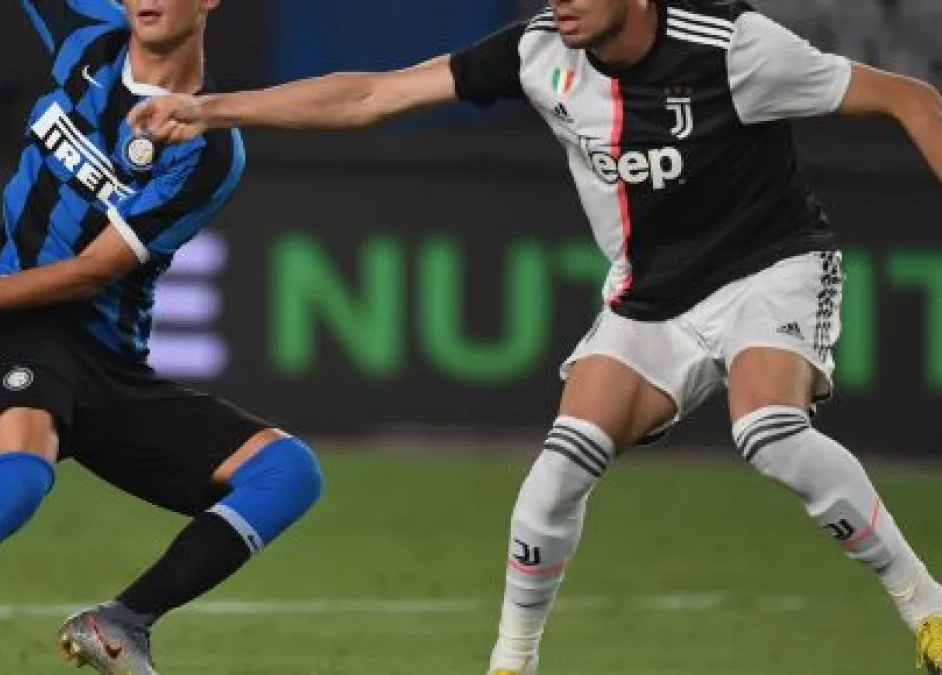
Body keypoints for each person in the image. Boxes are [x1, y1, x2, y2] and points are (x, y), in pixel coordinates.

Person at [129, 0, 942, 672]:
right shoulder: (538, 49)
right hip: (650, 298)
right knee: (554, 477)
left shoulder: (732, 48)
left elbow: (911, 97)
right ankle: (511, 663)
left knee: (767, 429)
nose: (561, 3)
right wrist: (212, 108)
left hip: (769, 267)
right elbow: (374, 94)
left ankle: (927, 608)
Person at [0, 1, 323, 673]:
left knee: (289, 472)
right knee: (18, 478)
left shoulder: (208, 152)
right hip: (26, 325)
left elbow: (92, 272)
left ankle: (123, 620)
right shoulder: (89, 36)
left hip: (113, 364)